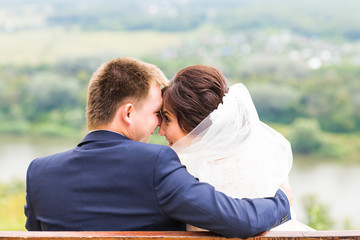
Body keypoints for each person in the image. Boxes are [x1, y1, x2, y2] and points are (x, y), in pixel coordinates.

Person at [25, 57, 292, 238]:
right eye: (157, 113)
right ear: (128, 113)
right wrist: (282, 200)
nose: (158, 126)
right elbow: (239, 220)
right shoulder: (156, 162)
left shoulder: (38, 172)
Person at [159, 65, 313, 231]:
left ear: (194, 122)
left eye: (167, 118)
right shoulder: (261, 159)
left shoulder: (187, 175)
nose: (160, 130)